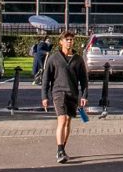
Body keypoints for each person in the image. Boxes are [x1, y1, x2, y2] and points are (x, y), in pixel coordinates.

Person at [40, 30, 88, 164]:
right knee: (62, 119)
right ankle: (60, 150)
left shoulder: (78, 59)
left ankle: (62, 149)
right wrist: (44, 96)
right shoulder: (54, 58)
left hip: (72, 94)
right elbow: (46, 79)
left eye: (71, 39)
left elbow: (84, 79)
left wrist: (84, 95)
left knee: (68, 121)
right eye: (67, 39)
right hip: (58, 93)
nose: (69, 41)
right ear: (61, 42)